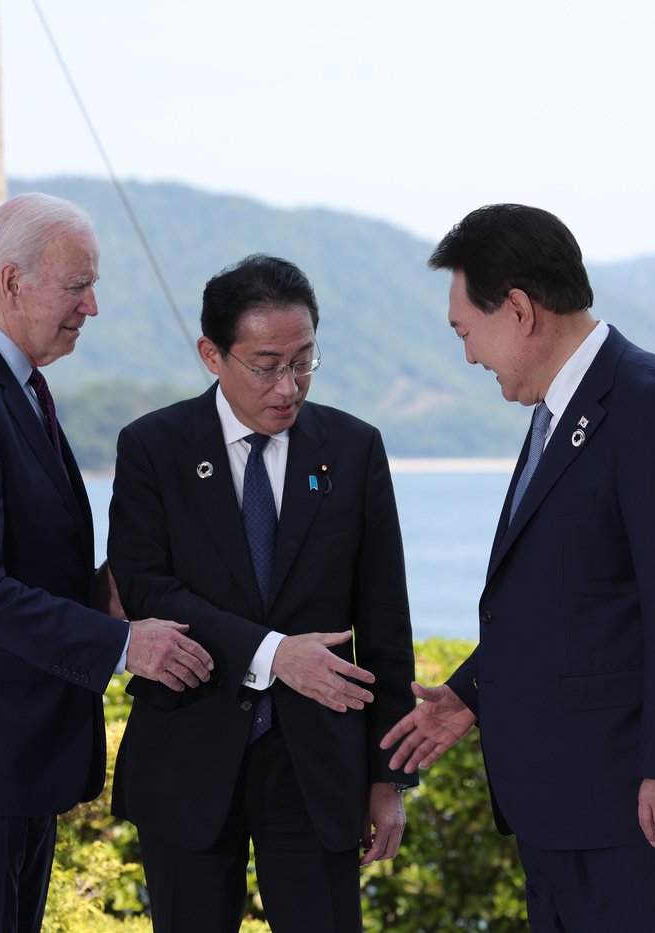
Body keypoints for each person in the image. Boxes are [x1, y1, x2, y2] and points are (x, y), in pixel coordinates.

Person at [381, 204, 655, 932]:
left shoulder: (649, 399)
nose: (468, 357)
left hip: (643, 808)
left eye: (467, 332)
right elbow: (570, 596)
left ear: (520, 310)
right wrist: (472, 693)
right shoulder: (555, 413)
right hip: (566, 805)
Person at [0, 192, 214, 932]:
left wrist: (115, 585)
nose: (92, 307)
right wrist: (124, 645)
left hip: (7, 752)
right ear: (13, 282)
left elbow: (21, 568)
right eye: (78, 285)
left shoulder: (11, 385)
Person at [107, 254, 418, 932]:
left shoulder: (355, 447)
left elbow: (385, 620)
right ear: (211, 355)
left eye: (304, 361)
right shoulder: (153, 447)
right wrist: (274, 653)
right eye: (267, 363)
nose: (289, 385)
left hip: (317, 766)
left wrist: (388, 777)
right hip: (189, 751)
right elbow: (144, 587)